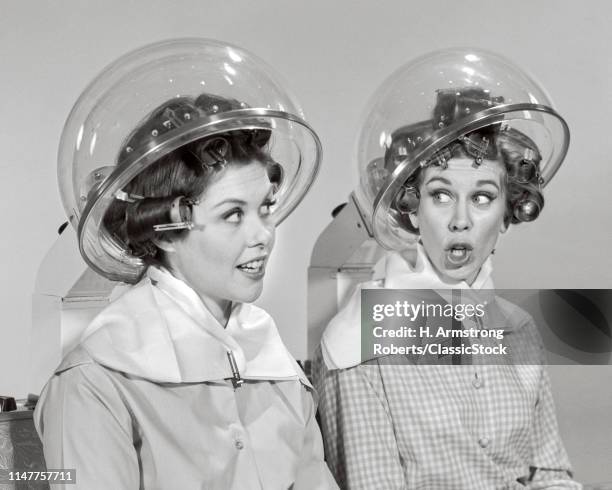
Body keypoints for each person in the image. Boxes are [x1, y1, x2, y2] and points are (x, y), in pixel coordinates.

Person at [35, 40, 337, 490]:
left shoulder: (275, 367)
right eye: (233, 214)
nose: (264, 235)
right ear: (166, 229)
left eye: (266, 208)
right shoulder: (96, 382)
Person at [313, 50, 580, 490]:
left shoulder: (520, 332)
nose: (460, 220)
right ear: (412, 210)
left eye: (481, 198)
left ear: (508, 213)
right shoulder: (355, 346)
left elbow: (550, 476)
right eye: (440, 195)